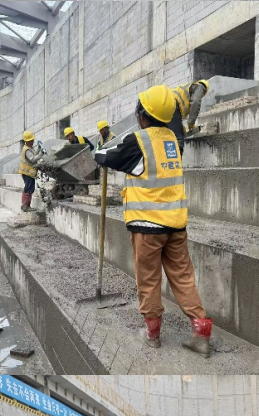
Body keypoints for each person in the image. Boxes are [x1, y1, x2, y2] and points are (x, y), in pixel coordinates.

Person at [94, 84, 212, 357]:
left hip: (147, 226)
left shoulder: (139, 141)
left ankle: (152, 334)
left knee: (148, 280)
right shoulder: (172, 140)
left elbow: (108, 157)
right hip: (176, 224)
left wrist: (98, 153)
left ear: (143, 115)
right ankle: (201, 331)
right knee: (183, 278)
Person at [169, 79, 210, 154]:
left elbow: (177, 111)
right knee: (179, 138)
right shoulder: (201, 87)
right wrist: (191, 123)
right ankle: (177, 161)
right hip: (173, 105)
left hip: (167, 106)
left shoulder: (188, 88)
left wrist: (180, 126)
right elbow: (195, 102)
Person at [18, 130, 44, 212]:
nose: (32, 142)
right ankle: (26, 205)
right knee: (29, 189)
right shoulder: (26, 150)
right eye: (30, 141)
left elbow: (34, 155)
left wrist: (39, 149)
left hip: (29, 173)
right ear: (27, 141)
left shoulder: (29, 148)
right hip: (27, 173)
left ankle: (25, 205)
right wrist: (41, 154)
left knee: (29, 188)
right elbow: (32, 159)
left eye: (32, 140)